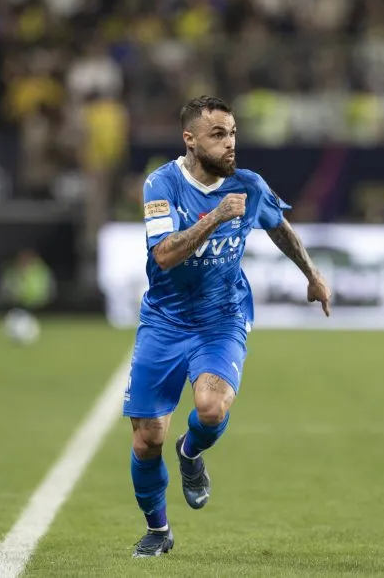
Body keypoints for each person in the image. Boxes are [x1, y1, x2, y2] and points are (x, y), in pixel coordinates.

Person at [126, 96, 332, 558]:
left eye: (233, 132)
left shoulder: (248, 185)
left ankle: (191, 453)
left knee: (212, 409)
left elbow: (279, 227)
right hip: (165, 319)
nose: (230, 143)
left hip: (222, 318)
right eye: (218, 135)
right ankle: (158, 530)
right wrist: (216, 215)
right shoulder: (161, 185)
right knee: (146, 439)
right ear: (190, 140)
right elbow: (163, 255)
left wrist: (312, 275)